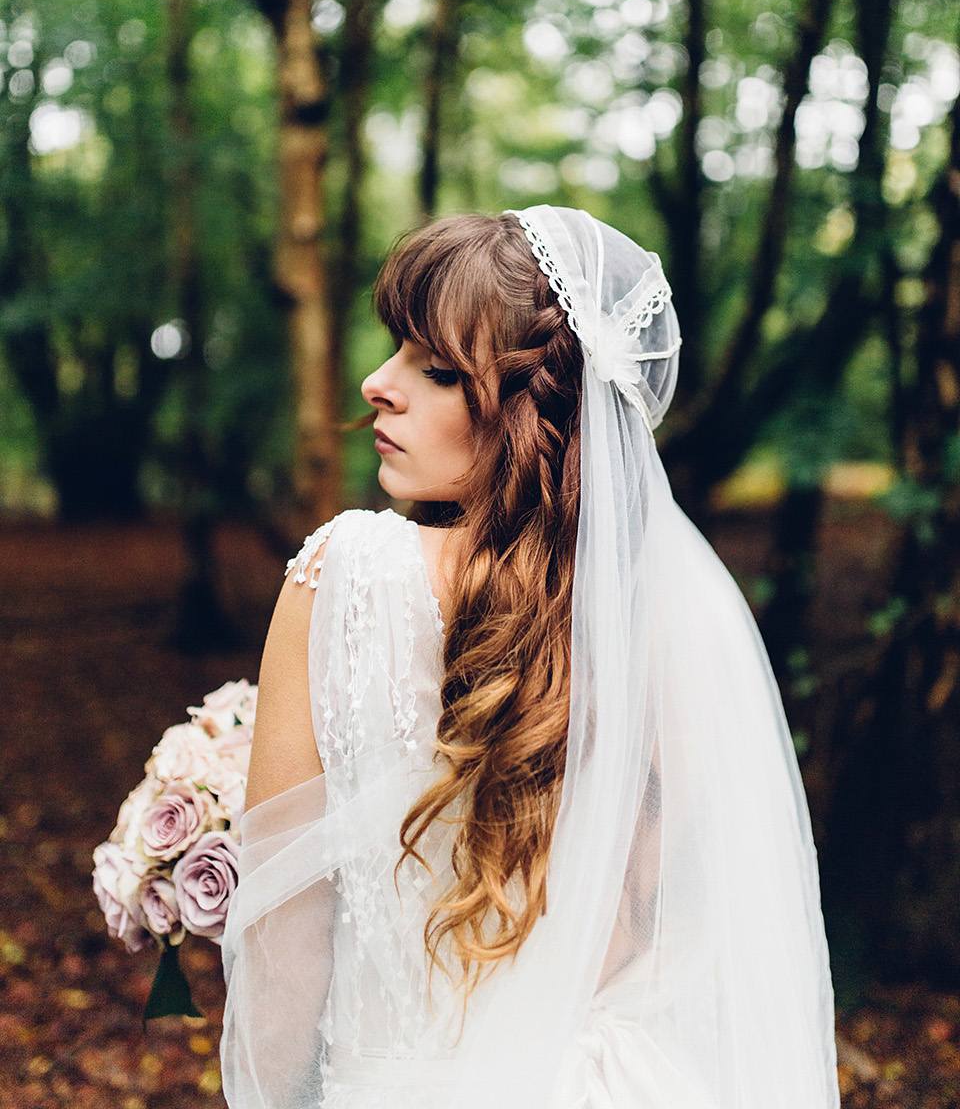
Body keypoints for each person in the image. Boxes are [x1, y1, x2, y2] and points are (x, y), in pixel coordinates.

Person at [220, 205, 841, 1109]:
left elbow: (284, 935)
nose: (375, 384)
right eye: (395, 348)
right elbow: (689, 917)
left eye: (433, 371)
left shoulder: (345, 573)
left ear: (526, 414)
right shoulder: (674, 614)